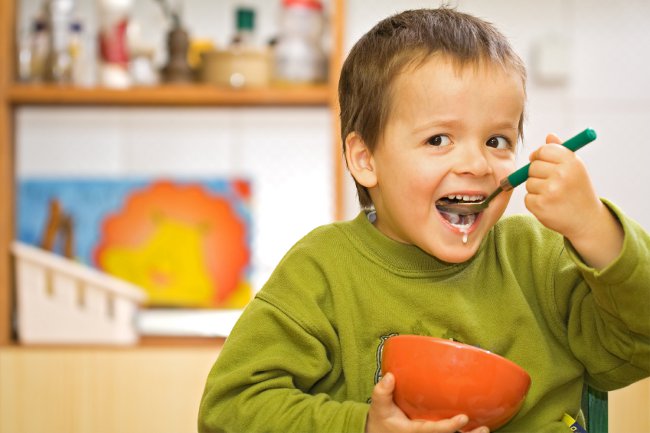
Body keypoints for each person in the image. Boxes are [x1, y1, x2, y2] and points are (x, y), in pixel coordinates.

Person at [198, 8, 650, 433]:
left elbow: (637, 345)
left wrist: (594, 229)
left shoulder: (541, 256)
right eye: (438, 139)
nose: (476, 162)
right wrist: (363, 425)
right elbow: (230, 410)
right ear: (365, 159)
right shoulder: (321, 270)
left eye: (497, 139)